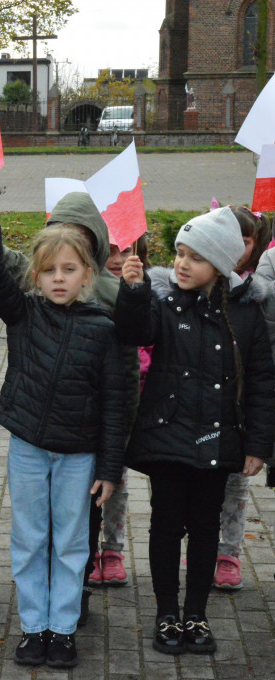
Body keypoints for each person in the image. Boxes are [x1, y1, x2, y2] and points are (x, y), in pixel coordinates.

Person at [0, 184, 125, 669]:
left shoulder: (103, 327)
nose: (58, 279)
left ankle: (63, 627)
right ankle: (35, 627)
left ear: (88, 274)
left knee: (72, 542)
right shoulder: (24, 312)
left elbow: (115, 403)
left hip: (79, 455)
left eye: (69, 270)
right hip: (29, 446)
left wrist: (110, 468)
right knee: (30, 538)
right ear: (37, 275)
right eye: (49, 271)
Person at [116, 207, 275, 656]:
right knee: (166, 525)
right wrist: (132, 292)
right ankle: (167, 612)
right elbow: (131, 333)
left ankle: (197, 614)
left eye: (195, 257)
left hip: (218, 441)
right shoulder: (161, 305)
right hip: (166, 438)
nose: (182, 264)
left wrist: (258, 444)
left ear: (221, 265)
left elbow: (262, 381)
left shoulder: (246, 315)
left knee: (205, 526)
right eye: (179, 254)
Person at [212, 206, 273, 590]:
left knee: (235, 485)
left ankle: (229, 553)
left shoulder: (259, 290)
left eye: (245, 239)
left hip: (242, 404)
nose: (236, 247)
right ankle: (204, 545)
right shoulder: (198, 278)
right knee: (203, 485)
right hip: (206, 403)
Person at [87, 233, 150, 589]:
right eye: (109, 251)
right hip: (92, 405)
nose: (116, 258)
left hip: (127, 405)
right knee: (89, 481)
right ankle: (89, 550)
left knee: (117, 481)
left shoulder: (142, 292)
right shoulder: (92, 292)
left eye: (125, 250)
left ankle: (112, 549)